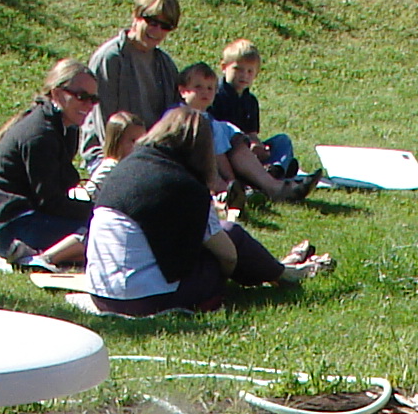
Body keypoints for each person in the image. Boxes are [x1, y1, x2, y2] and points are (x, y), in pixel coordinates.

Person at [85, 109, 331, 317]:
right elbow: (228, 257)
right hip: (145, 301)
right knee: (228, 233)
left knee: (212, 239)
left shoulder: (125, 170)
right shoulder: (181, 184)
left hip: (102, 295)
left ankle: (277, 269)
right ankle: (287, 274)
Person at [0, 58, 100, 269]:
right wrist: (98, 210)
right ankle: (32, 258)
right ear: (58, 94)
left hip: (32, 215)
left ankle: (44, 255)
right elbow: (49, 201)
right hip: (12, 225)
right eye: (82, 97)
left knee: (107, 233)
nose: (88, 106)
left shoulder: (66, 127)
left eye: (94, 99)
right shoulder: (39, 135)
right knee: (105, 235)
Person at [176, 61, 309, 204]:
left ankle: (272, 175)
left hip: (225, 158)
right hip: (197, 167)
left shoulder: (222, 116)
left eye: (210, 88)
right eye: (198, 87)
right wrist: (231, 180)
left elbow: (241, 138)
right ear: (183, 90)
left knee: (280, 141)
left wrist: (253, 144)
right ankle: (246, 188)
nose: (205, 92)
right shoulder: (181, 117)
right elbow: (218, 156)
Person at [80, 0, 185, 163]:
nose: (157, 31)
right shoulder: (110, 58)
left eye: (166, 26)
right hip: (111, 154)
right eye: (152, 22)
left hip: (153, 152)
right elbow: (105, 124)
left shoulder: (166, 65)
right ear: (136, 16)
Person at [211, 40, 303, 181]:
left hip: (247, 148)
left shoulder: (250, 101)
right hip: (228, 151)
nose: (244, 75)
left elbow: (252, 133)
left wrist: (257, 146)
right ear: (224, 67)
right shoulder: (215, 95)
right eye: (238, 69)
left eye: (250, 71)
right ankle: (277, 171)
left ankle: (275, 169)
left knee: (282, 141)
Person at [84, 110, 148, 193]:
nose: (138, 146)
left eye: (142, 141)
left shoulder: (136, 167)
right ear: (117, 142)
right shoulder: (110, 168)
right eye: (133, 141)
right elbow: (89, 193)